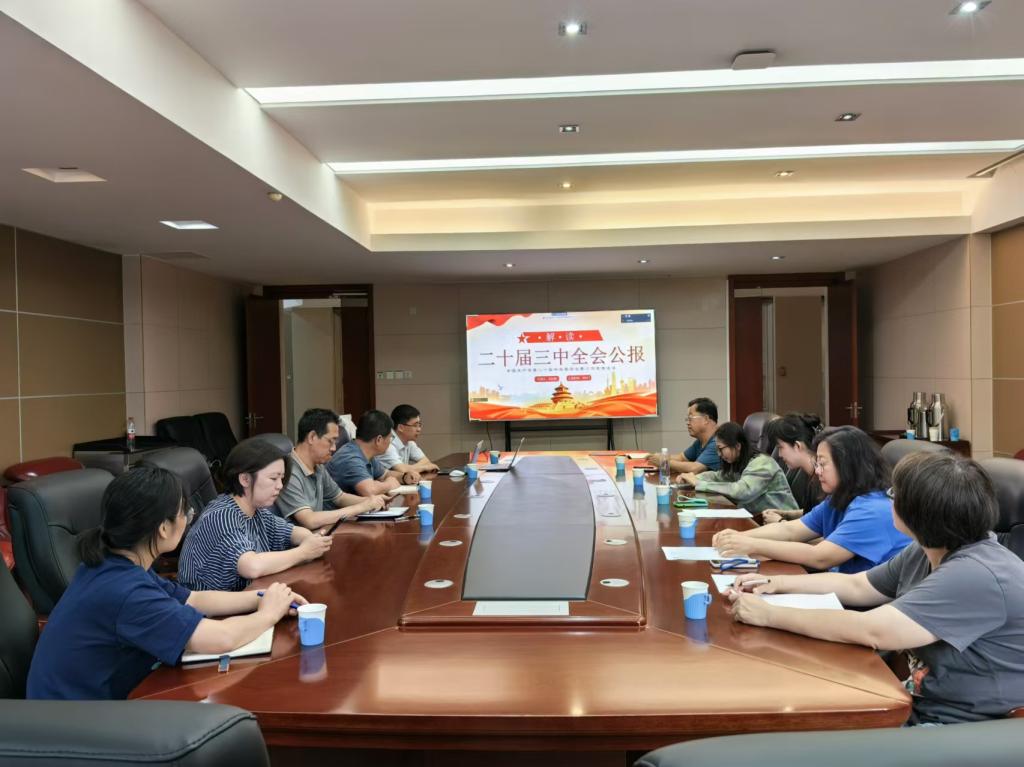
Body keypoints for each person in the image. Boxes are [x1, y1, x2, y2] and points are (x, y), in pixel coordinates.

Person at [727, 452, 1024, 725]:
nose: (889, 498)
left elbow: (873, 630)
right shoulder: (928, 548)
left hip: (968, 727)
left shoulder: (976, 574)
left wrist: (769, 615)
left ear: (917, 512)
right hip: (916, 701)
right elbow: (858, 585)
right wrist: (776, 583)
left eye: (894, 493)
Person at [26, 467, 307, 700]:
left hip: (89, 706)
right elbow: (221, 638)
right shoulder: (124, 590)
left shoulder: (116, 564)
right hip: (74, 724)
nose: (187, 520)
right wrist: (268, 614)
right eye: (185, 513)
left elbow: (194, 599)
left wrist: (263, 597)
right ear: (163, 527)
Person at [712, 426, 911, 574]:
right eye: (817, 464)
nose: (817, 471)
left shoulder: (872, 509)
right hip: (841, 584)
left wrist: (752, 545)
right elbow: (790, 531)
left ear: (848, 465)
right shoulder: (839, 498)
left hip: (872, 605)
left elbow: (820, 557)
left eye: (823, 464)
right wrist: (738, 537)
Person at [178, 438, 333, 592]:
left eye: (281, 478)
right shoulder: (220, 516)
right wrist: (304, 552)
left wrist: (310, 540)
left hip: (247, 596)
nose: (280, 486)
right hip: (210, 606)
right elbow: (252, 567)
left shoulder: (257, 512)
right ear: (245, 479)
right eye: (273, 478)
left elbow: (292, 532)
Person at [276, 407, 388, 531]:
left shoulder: (318, 466)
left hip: (318, 536)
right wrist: (361, 507)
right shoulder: (287, 471)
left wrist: (370, 501)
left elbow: (339, 497)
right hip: (299, 541)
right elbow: (309, 520)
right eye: (331, 441)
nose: (334, 448)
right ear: (312, 437)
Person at [677, 421, 798, 515]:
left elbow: (741, 491)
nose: (719, 454)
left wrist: (699, 483)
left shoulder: (762, 463)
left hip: (784, 523)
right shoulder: (740, 461)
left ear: (737, 446)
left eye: (721, 449)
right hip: (762, 519)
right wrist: (692, 478)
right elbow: (718, 476)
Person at [327, 410, 418, 496]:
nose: (390, 442)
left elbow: (384, 475)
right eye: (390, 438)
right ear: (379, 440)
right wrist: (389, 484)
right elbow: (369, 490)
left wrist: (404, 477)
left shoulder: (365, 453)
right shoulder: (351, 457)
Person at [760, 412, 825, 523]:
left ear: (797, 446)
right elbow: (814, 514)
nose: (779, 455)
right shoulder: (812, 477)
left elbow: (822, 530)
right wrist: (786, 514)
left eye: (781, 447)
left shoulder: (823, 481)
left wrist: (780, 522)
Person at [647, 397, 721, 475]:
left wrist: (664, 462)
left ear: (706, 419)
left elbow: (695, 468)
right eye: (687, 419)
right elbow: (682, 458)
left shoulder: (718, 442)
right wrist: (659, 457)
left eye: (690, 418)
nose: (688, 423)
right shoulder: (700, 441)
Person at [378, 404, 439, 478]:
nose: (419, 429)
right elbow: (402, 470)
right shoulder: (387, 442)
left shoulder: (409, 441)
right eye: (415, 425)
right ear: (401, 427)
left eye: (419, 425)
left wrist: (411, 468)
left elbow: (426, 461)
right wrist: (424, 468)